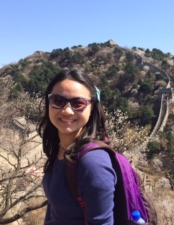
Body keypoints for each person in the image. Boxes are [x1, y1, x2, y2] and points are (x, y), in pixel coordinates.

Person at [37, 69, 117, 225]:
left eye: (78, 103)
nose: (67, 111)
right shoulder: (60, 147)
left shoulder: (93, 164)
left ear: (92, 107)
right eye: (58, 101)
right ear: (49, 103)